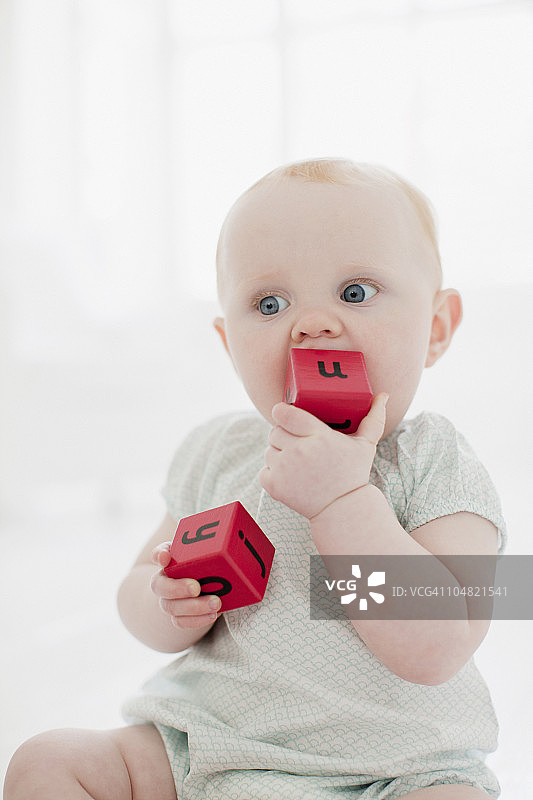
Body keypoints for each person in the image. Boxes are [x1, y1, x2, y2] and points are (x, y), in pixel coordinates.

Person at [4, 159, 506, 800]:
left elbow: (441, 644)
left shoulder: (436, 462)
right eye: (270, 304)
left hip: (391, 773)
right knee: (50, 760)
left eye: (355, 293)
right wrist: (169, 603)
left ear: (435, 329)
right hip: (204, 750)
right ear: (229, 345)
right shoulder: (220, 453)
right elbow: (136, 589)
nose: (313, 324)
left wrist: (343, 501)